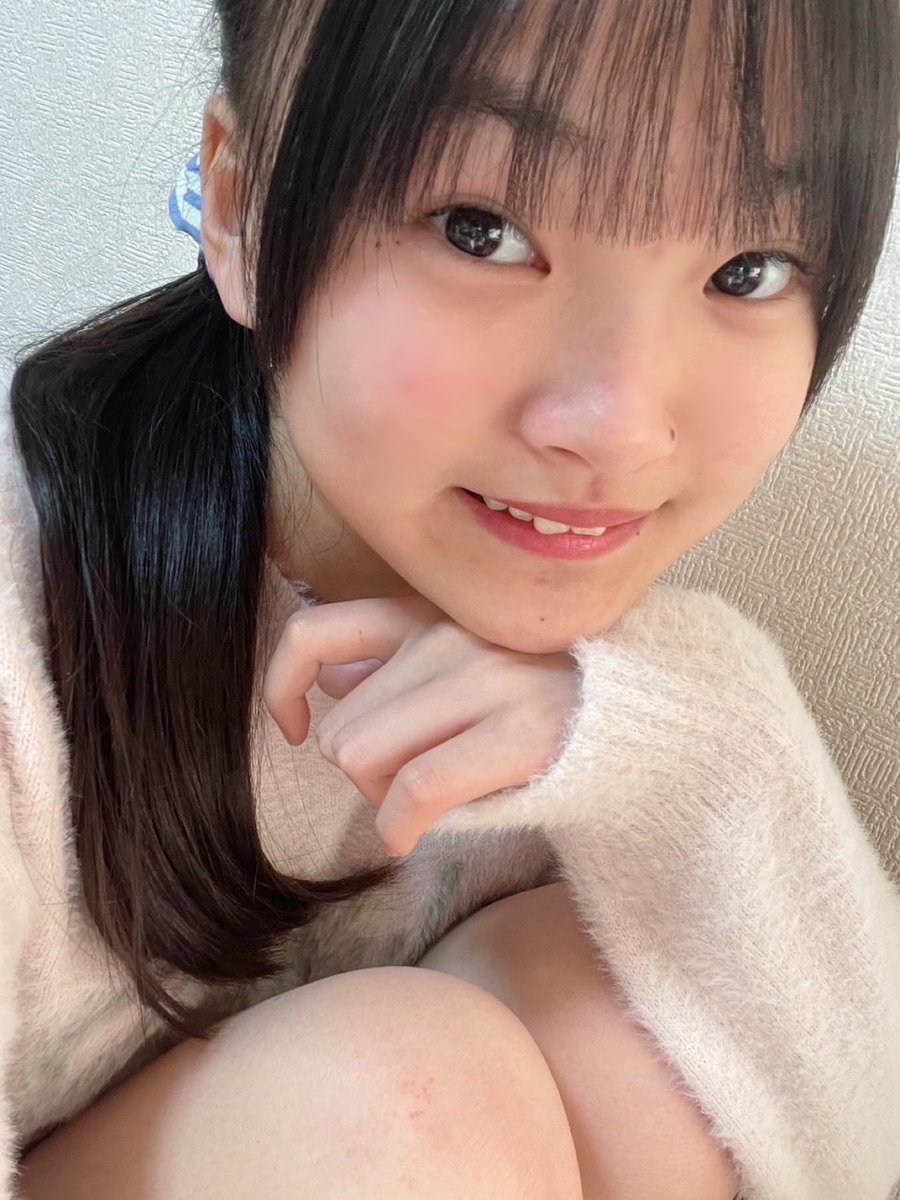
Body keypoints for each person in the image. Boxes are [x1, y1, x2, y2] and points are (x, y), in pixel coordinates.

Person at [2, 0, 899, 1197]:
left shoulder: (614, 685)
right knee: (408, 1101)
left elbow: (857, 1154)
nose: (619, 430)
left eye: (749, 269)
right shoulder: (28, 628)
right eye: (483, 231)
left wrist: (701, 759)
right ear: (240, 208)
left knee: (644, 1027)